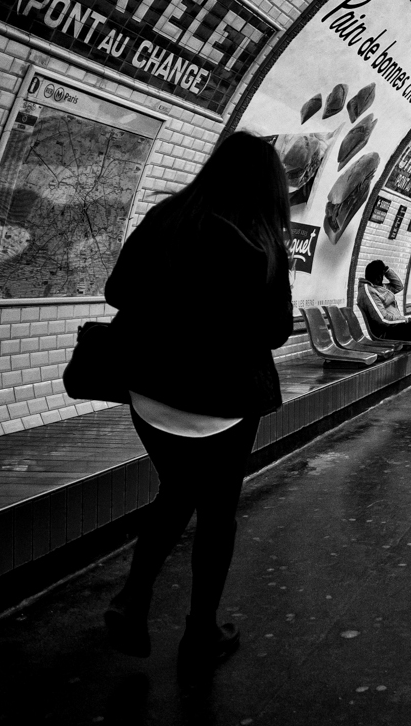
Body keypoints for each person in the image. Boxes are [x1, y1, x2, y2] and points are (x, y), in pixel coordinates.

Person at [102, 132, 294, 673]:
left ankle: (133, 599)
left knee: (178, 489)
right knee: (216, 513)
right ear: (270, 186)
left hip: (151, 393)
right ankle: (200, 631)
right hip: (221, 402)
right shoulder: (262, 239)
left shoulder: (167, 217)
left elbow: (117, 291)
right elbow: (276, 331)